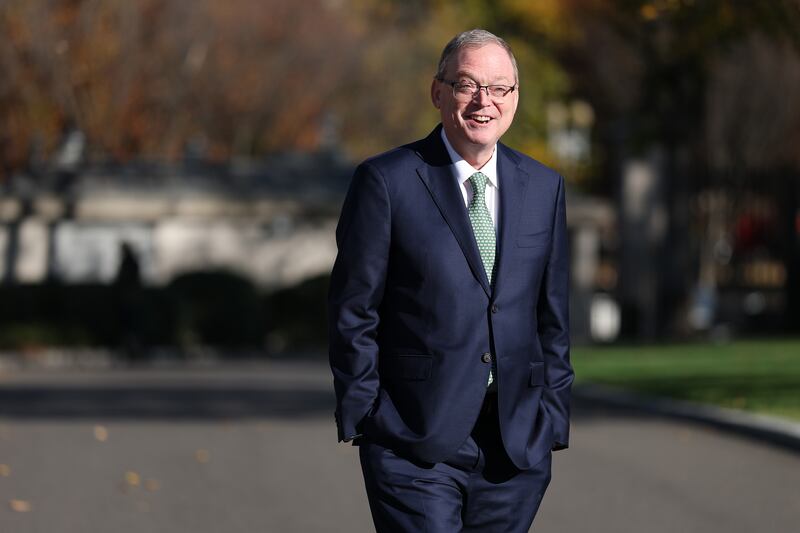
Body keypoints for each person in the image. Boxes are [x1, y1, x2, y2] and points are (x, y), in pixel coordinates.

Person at [328, 28, 573, 532]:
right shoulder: (387, 181)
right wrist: (368, 415)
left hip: (516, 446)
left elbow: (553, 317)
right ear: (438, 92)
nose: (485, 102)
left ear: (515, 98)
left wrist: (552, 416)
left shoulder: (544, 188)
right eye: (467, 85)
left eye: (500, 88)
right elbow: (354, 308)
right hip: (412, 440)